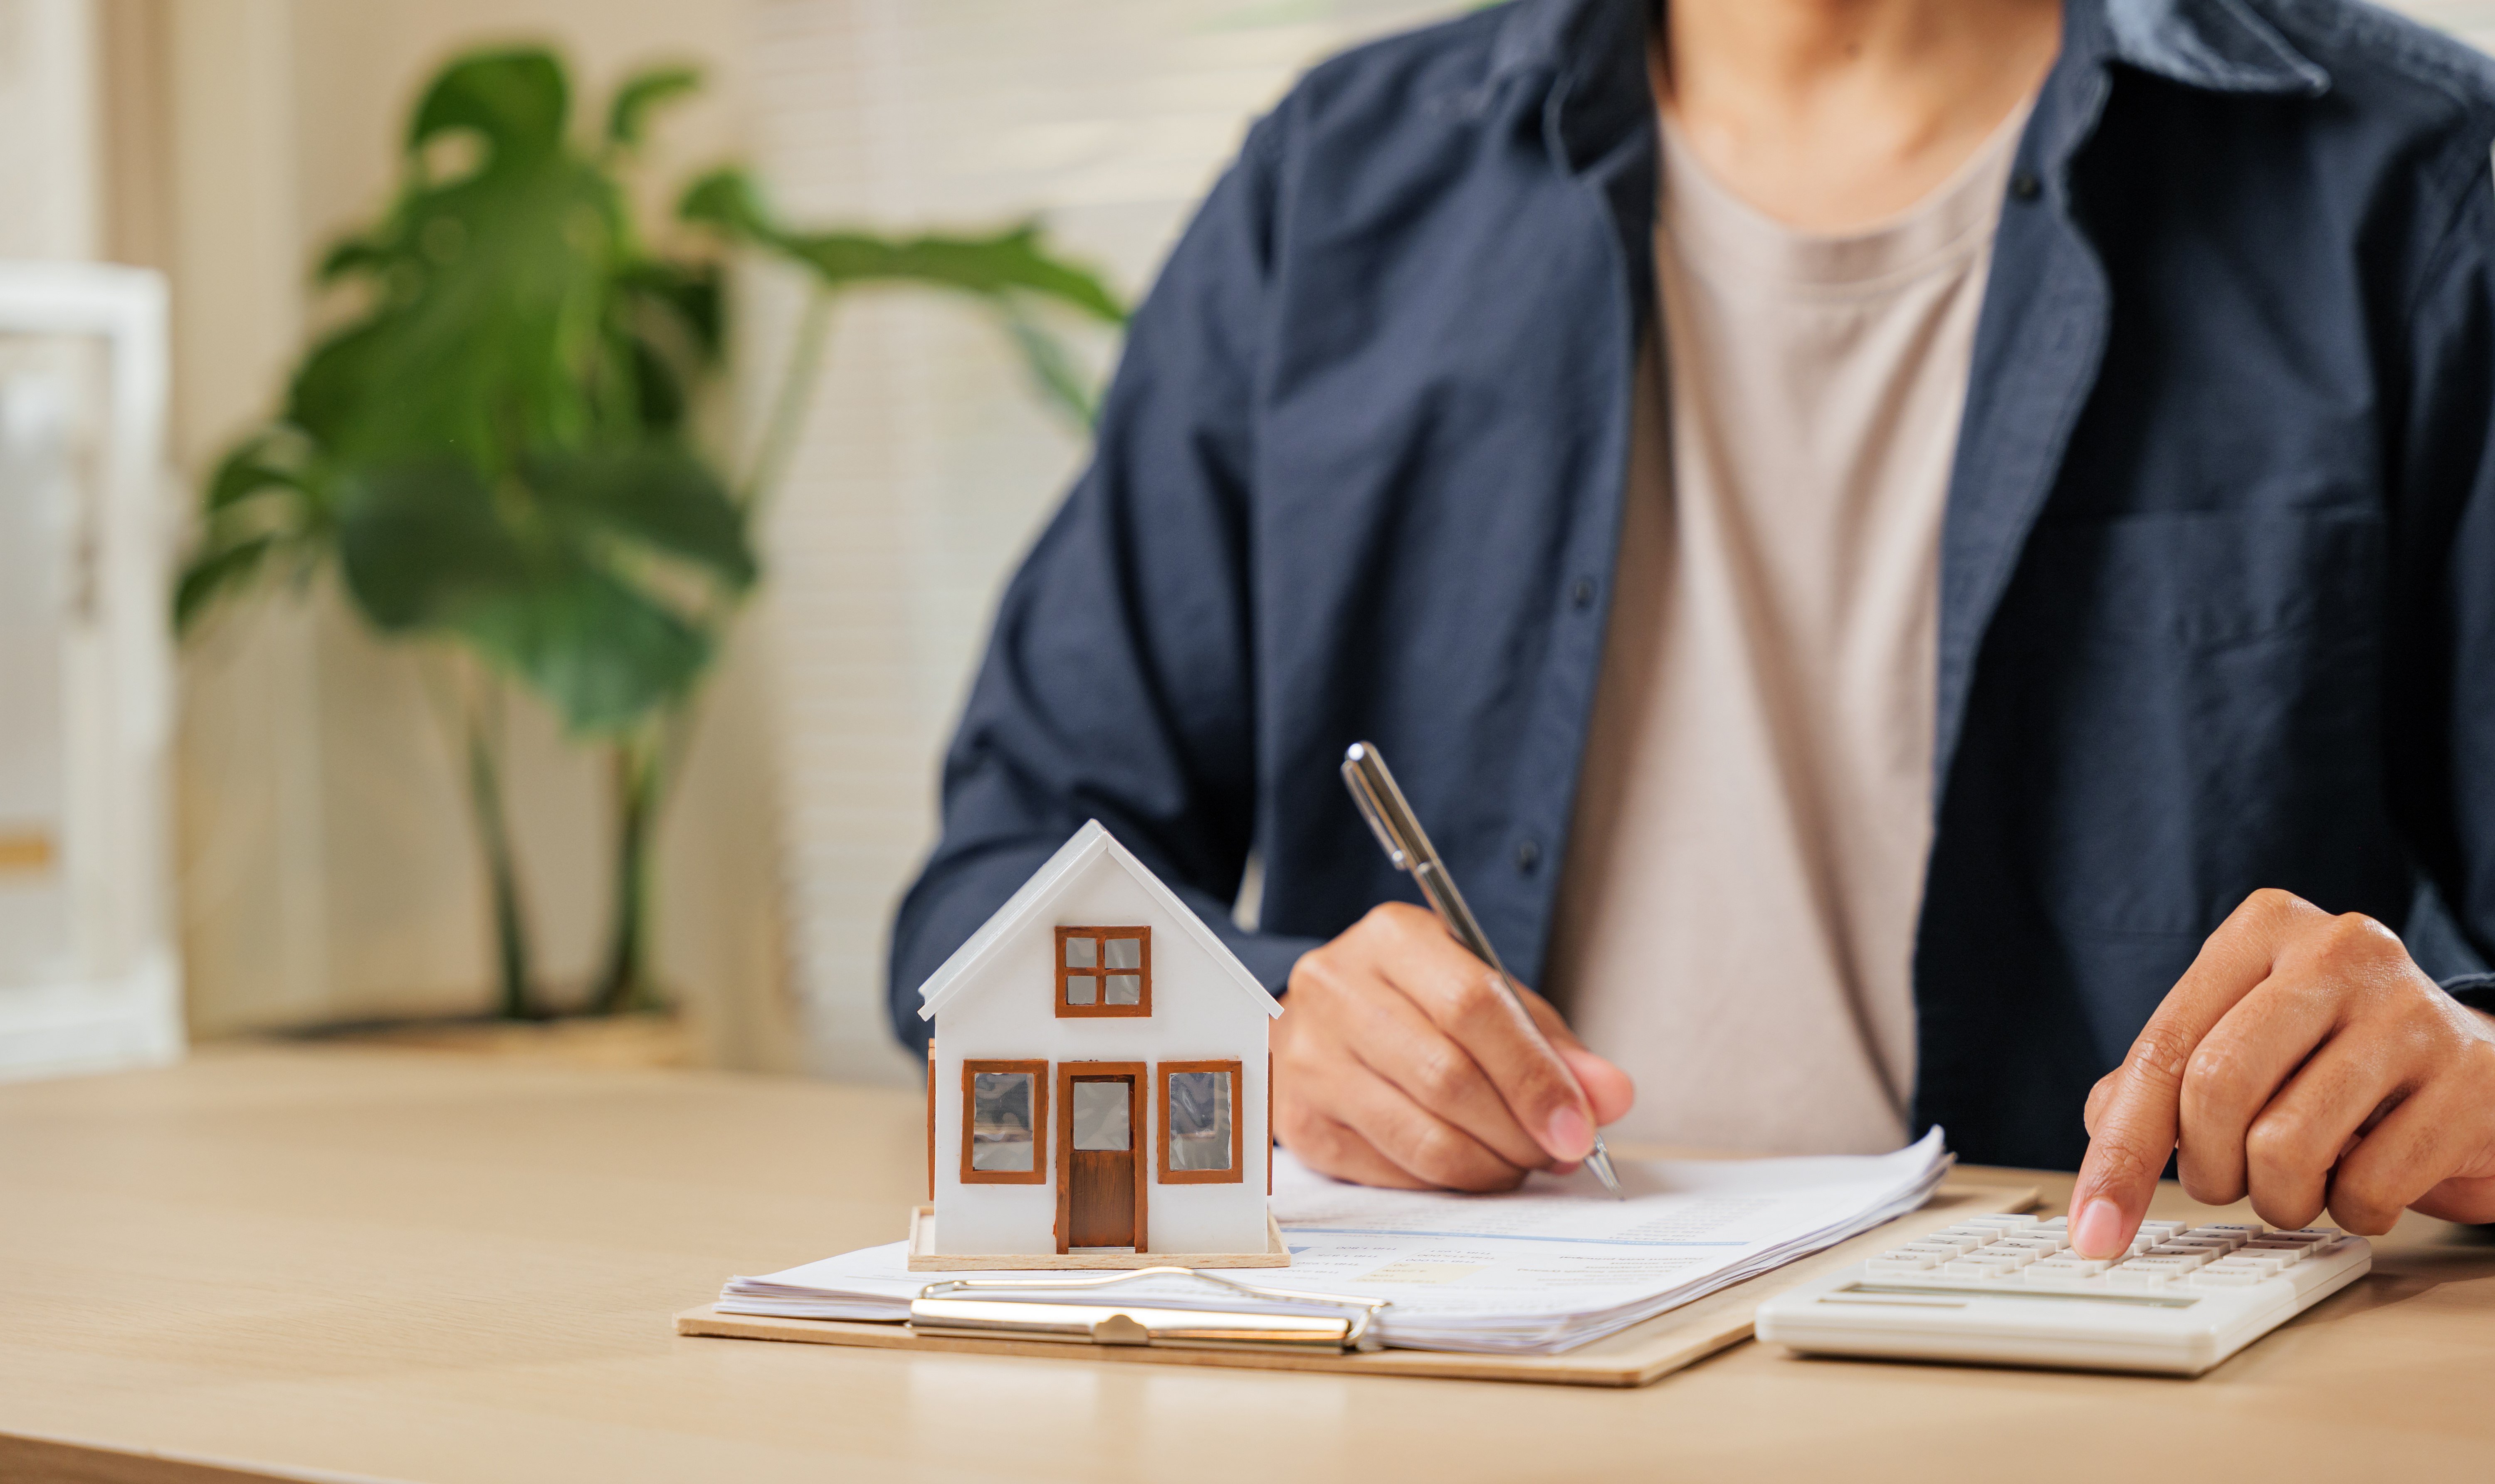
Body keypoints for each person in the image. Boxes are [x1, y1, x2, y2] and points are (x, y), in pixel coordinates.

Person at [889, 0, 2495, 1262]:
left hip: (2130, 1402)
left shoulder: (2416, 185)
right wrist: (1265, 1027)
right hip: (1463, 1396)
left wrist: (2466, 1083)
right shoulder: (1331, 195)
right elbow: (988, 905)